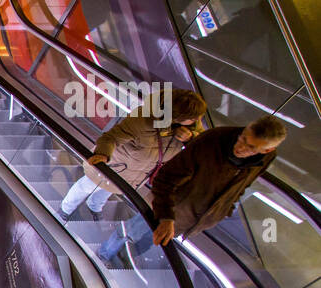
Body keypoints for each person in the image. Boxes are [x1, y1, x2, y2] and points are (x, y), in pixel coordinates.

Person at [99, 117, 288, 267]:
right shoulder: (212, 141)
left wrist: (226, 208)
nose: (241, 147)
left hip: (192, 220)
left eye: (251, 147)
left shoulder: (267, 158)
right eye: (243, 138)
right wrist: (166, 218)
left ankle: (124, 259)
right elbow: (165, 177)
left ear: (267, 150)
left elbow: (243, 184)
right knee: (131, 231)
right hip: (167, 208)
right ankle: (104, 255)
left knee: (150, 242)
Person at [60, 88, 206, 218]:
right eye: (194, 118)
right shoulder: (142, 121)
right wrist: (103, 155)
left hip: (136, 174)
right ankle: (65, 209)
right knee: (86, 186)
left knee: (110, 190)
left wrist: (190, 138)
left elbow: (203, 144)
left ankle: (94, 206)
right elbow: (110, 138)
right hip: (115, 165)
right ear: (177, 116)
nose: (198, 120)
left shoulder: (192, 126)